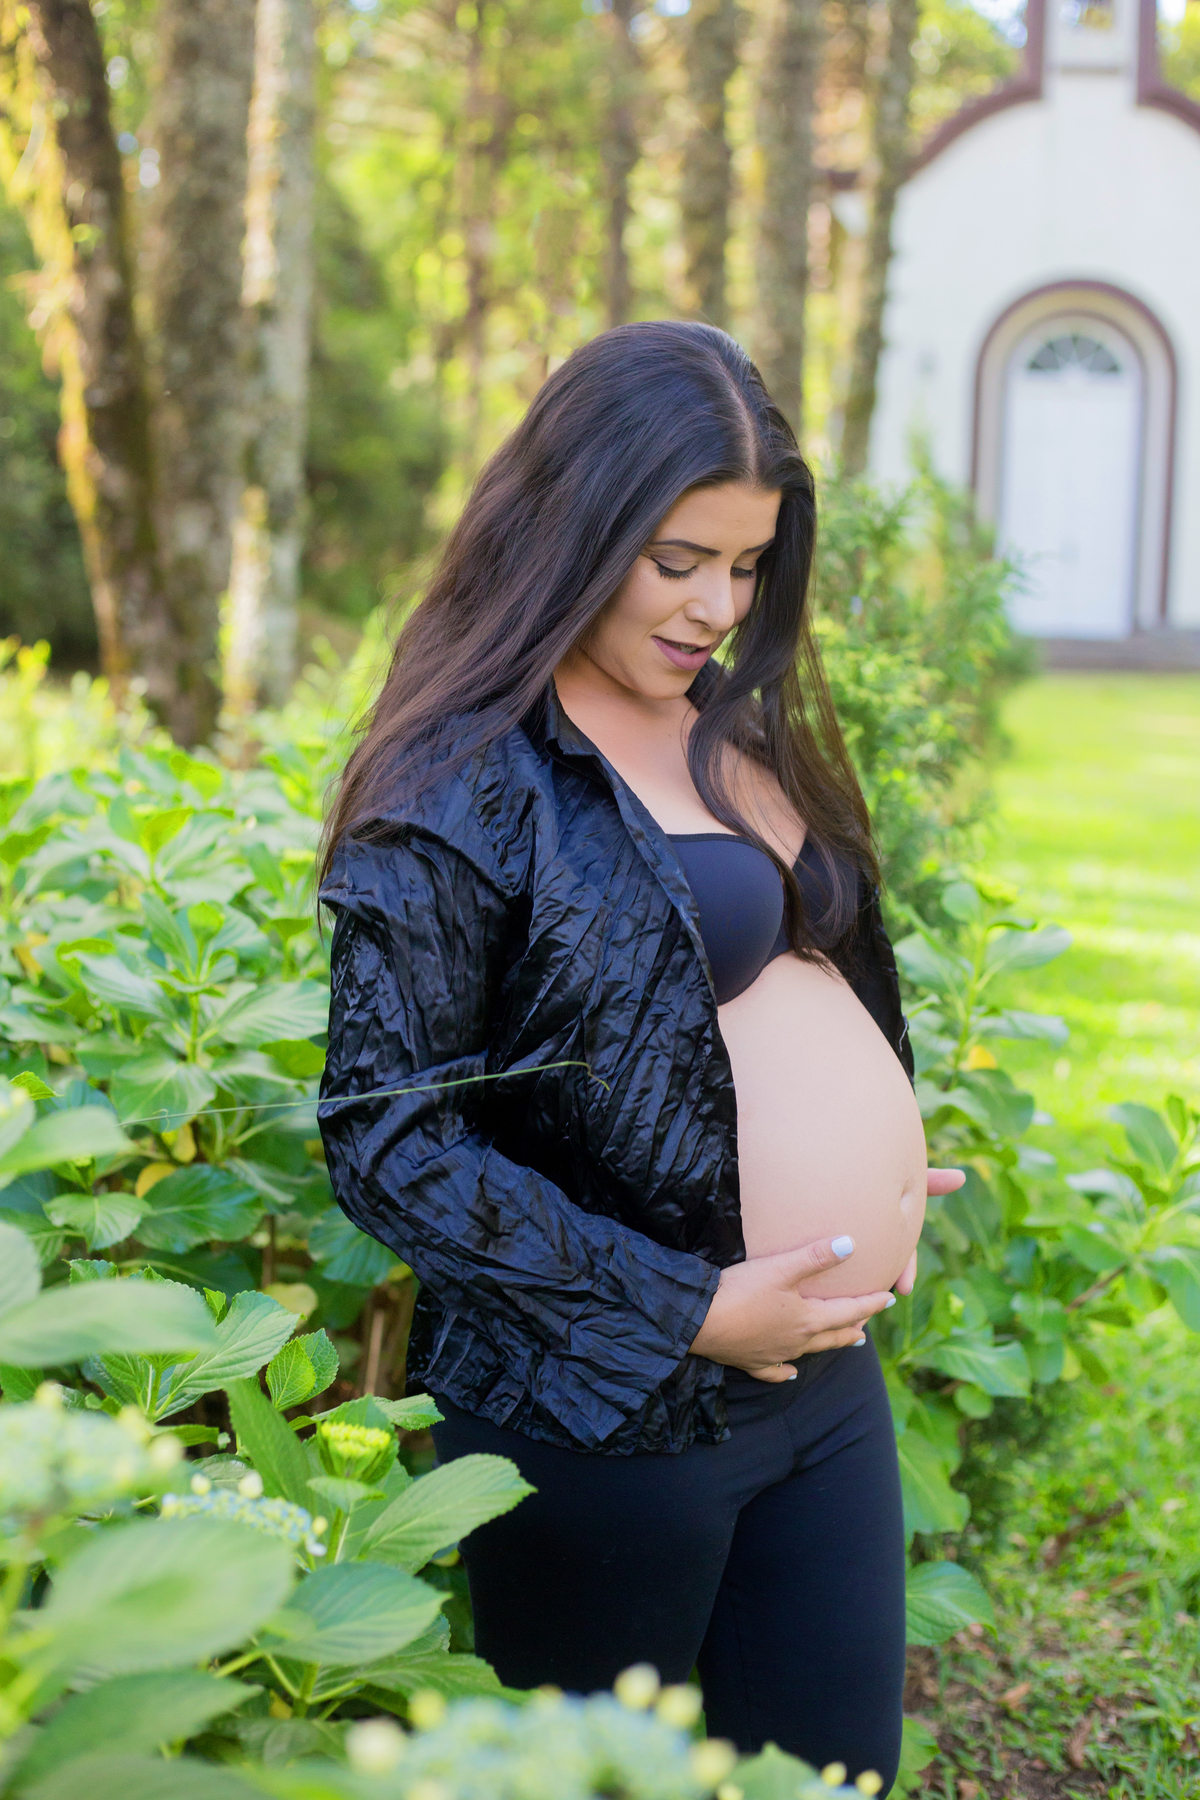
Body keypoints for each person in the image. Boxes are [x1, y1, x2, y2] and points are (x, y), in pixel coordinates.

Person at [317, 320, 965, 1794]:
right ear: (573, 523)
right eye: (676, 560)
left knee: (834, 1780)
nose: (715, 606)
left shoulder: (734, 723)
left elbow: (774, 988)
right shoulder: (461, 778)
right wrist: (684, 1305)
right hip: (610, 1413)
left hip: (823, 1387)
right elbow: (386, 1136)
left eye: (744, 566)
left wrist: (882, 1157)